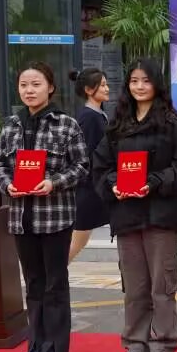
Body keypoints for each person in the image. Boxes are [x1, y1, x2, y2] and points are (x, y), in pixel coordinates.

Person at [92, 58, 177, 352]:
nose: (139, 86)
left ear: (157, 84)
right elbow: (100, 165)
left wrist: (153, 183)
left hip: (162, 215)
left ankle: (163, 343)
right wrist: (113, 184)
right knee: (134, 286)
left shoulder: (171, 124)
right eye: (134, 81)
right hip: (127, 214)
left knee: (161, 285)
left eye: (146, 81)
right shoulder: (117, 126)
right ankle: (136, 344)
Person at [0, 61, 89, 352]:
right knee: (33, 282)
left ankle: (55, 349)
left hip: (55, 216)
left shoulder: (66, 125)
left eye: (36, 84)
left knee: (54, 283)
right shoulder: (11, 125)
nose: (29, 90)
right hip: (21, 217)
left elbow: (81, 166)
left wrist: (53, 182)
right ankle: (35, 346)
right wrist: (7, 185)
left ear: (50, 88)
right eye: (24, 85)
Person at [68, 68, 110, 263]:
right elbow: (87, 155)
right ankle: (52, 276)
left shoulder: (98, 114)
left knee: (78, 241)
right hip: (89, 189)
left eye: (106, 84)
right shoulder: (89, 117)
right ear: (88, 90)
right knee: (76, 241)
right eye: (102, 85)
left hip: (95, 187)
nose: (107, 89)